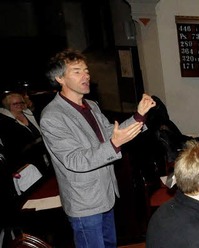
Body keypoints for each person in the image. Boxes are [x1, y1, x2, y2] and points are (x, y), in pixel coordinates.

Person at [40, 49, 156, 248]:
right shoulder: (52, 116)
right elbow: (74, 160)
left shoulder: (91, 105)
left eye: (86, 70)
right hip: (84, 202)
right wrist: (113, 144)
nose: (86, 75)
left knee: (109, 244)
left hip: (105, 194)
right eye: (77, 71)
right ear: (59, 78)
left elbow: (111, 132)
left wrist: (139, 115)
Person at [0, 92, 49, 173]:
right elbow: (10, 148)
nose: (19, 105)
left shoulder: (30, 114)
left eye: (21, 102)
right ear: (8, 105)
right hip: (25, 162)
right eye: (15, 103)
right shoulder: (5, 123)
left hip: (42, 155)